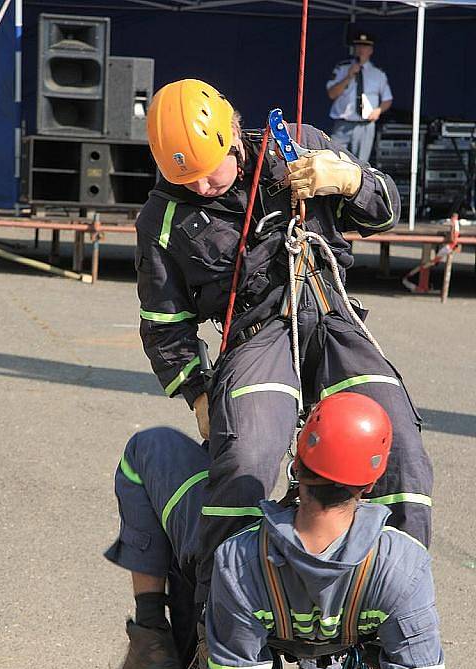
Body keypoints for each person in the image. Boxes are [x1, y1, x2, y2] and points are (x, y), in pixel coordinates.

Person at [132, 77, 432, 612]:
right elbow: (163, 322)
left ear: (231, 135)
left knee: (401, 448)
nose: (201, 187)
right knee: (244, 458)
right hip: (257, 338)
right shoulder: (162, 217)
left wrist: (347, 180)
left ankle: (393, 614)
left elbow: (384, 210)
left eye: (209, 172)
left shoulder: (298, 143)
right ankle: (219, 629)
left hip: (334, 318)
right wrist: (197, 392)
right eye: (188, 179)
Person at [105, 395, 465, 669]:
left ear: (295, 463)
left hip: (256, 598)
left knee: (145, 449)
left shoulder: (238, 559)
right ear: (372, 482)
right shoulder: (402, 565)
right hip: (348, 619)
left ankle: (149, 627)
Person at [327, 31, 393, 162]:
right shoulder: (342, 68)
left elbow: (387, 99)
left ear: (371, 50)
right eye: (358, 46)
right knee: (334, 161)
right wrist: (349, 76)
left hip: (365, 125)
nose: (361, 50)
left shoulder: (377, 73)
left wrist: (378, 110)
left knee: (361, 165)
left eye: (365, 47)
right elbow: (332, 94)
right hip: (343, 124)